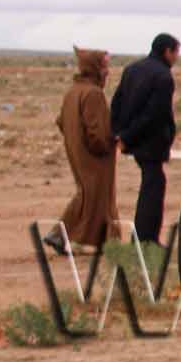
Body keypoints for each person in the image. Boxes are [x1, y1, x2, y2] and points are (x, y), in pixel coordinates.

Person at [109, 33, 180, 247]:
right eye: (176, 52)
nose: (177, 57)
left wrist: (119, 134)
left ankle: (143, 237)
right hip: (151, 142)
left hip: (134, 140)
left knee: (152, 183)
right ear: (167, 51)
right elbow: (154, 114)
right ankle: (145, 239)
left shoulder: (132, 69)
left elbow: (117, 103)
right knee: (153, 186)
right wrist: (128, 135)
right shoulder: (163, 77)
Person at [47, 48, 117, 254]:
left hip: (77, 150)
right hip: (94, 155)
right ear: (95, 67)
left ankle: (74, 237)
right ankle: (62, 235)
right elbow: (97, 132)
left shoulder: (74, 91)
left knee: (89, 194)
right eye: (104, 66)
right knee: (92, 194)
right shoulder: (93, 93)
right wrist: (107, 144)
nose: (107, 71)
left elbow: (61, 121)